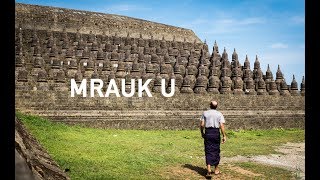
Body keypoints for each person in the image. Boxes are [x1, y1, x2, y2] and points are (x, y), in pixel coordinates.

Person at [199, 100, 227, 177]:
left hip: (208, 132)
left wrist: (202, 132)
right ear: (216, 106)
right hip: (215, 132)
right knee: (216, 150)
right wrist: (224, 135)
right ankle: (216, 169)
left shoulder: (205, 113)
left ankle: (208, 170)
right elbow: (221, 125)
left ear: (210, 105)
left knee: (208, 150)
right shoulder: (219, 114)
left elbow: (202, 125)